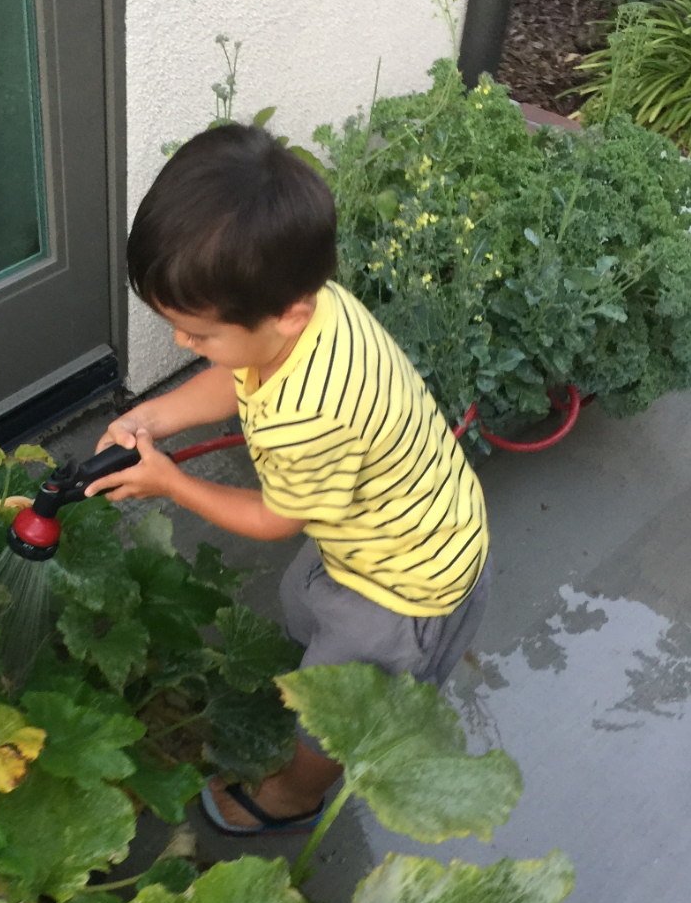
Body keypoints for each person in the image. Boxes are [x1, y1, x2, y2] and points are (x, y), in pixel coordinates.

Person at [87, 124, 491, 835]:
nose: (184, 344)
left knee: (333, 708)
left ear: (286, 312)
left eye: (199, 333)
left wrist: (170, 484)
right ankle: (342, 700)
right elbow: (234, 376)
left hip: (407, 581)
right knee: (304, 607)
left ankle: (298, 792)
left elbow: (276, 520)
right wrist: (155, 415)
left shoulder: (309, 415)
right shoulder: (308, 310)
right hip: (390, 521)